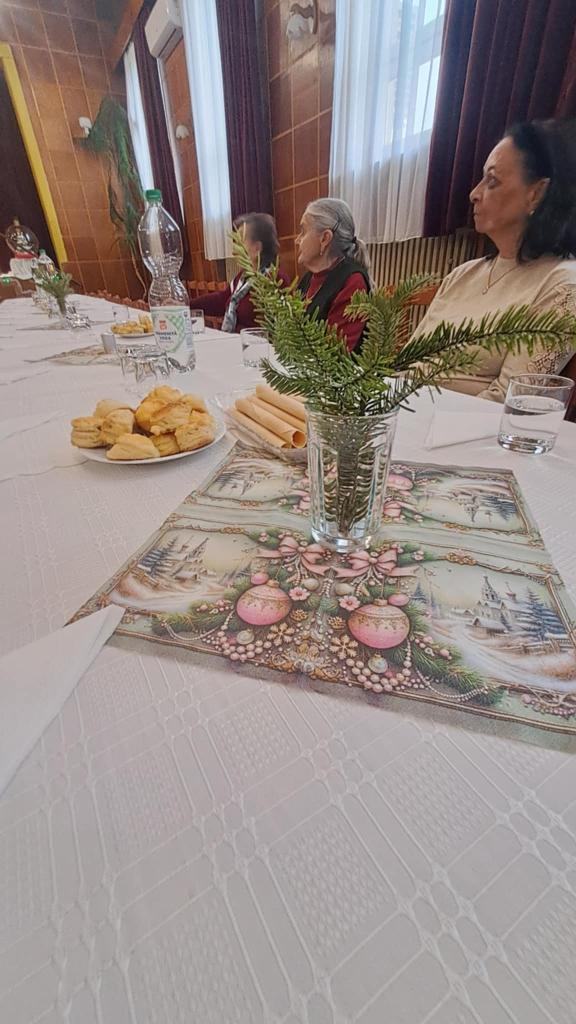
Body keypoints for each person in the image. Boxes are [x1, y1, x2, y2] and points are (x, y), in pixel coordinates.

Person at [415, 119, 576, 402]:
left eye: (492, 181)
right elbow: (407, 365)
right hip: (400, 413)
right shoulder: (463, 274)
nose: (473, 194)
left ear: (536, 193)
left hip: (460, 426)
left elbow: (509, 399)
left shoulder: (563, 285)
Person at [296, 198, 371, 351]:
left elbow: (335, 354)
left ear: (325, 238)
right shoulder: (308, 278)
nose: (297, 240)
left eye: (303, 231)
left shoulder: (353, 282)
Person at [193, 212, 288, 332]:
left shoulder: (275, 280)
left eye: (239, 243)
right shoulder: (243, 277)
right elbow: (222, 299)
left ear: (257, 248)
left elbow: (280, 329)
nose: (234, 251)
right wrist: (186, 305)